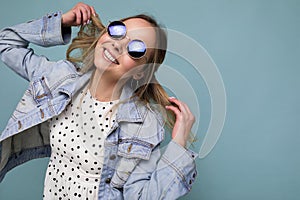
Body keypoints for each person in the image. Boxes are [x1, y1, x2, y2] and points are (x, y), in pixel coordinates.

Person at [0, 2, 197, 199]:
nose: (118, 44)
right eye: (117, 30)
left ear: (141, 72)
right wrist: (60, 22)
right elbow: (5, 42)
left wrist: (179, 145)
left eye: (136, 48)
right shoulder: (59, 79)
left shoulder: (144, 123)